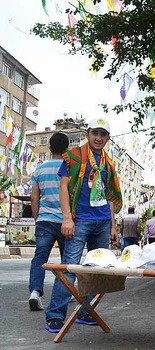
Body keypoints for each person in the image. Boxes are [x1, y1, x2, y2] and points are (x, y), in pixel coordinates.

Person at [44, 118, 122, 333]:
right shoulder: (73, 157)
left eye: (103, 134)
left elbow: (108, 197)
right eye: (95, 133)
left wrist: (113, 226)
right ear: (87, 134)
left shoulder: (108, 163)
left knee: (96, 271)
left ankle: (86, 312)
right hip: (80, 221)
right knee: (69, 268)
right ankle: (55, 315)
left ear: (108, 138)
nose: (98, 138)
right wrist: (67, 218)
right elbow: (63, 187)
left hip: (102, 221)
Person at [28, 132, 70, 311]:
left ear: (50, 148)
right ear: (67, 148)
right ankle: (68, 291)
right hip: (65, 221)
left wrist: (38, 218)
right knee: (67, 259)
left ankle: (35, 292)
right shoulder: (68, 168)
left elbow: (34, 198)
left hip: (44, 219)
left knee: (40, 257)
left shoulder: (40, 169)